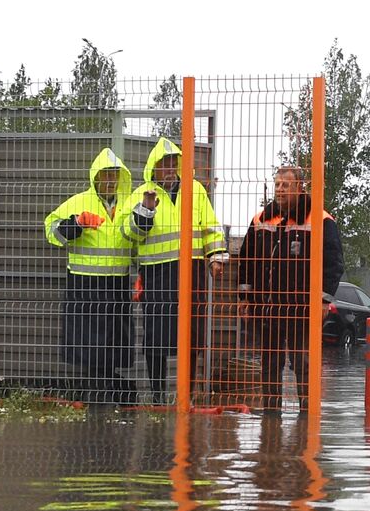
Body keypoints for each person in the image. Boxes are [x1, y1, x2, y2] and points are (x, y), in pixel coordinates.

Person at [119, 137, 227, 402]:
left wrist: (215, 257)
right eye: (163, 164)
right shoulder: (141, 193)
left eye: (173, 163)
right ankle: (158, 395)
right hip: (157, 274)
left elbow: (210, 227)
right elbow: (127, 233)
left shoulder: (196, 190)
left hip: (192, 272)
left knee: (192, 334)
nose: (169, 169)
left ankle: (187, 395)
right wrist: (145, 210)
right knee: (157, 337)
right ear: (153, 168)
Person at [236, 166, 344, 410]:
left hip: (301, 308)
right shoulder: (261, 220)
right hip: (267, 308)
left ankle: (306, 415)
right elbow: (245, 260)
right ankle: (271, 416)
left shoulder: (320, 220)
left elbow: (333, 262)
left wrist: (324, 300)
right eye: (277, 185)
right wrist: (244, 296)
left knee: (302, 362)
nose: (280, 190)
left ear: (299, 188)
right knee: (270, 363)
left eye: (285, 185)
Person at [43, 148, 136, 403]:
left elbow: (138, 238)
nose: (110, 181)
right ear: (95, 178)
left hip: (118, 283)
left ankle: (109, 392)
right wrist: (76, 224)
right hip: (85, 283)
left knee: (115, 341)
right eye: (105, 175)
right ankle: (98, 396)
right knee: (90, 344)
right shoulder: (78, 202)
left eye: (114, 175)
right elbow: (51, 231)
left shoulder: (129, 204)